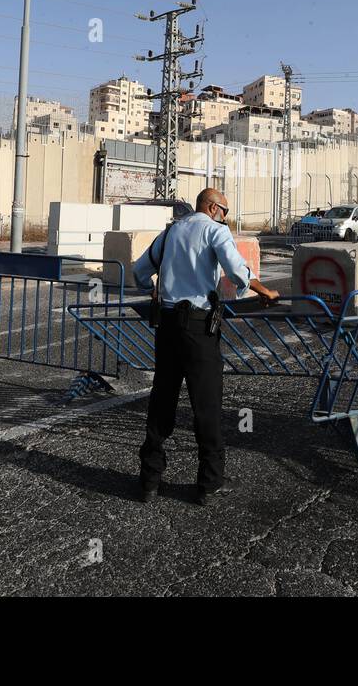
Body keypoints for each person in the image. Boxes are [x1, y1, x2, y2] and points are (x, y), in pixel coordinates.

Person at [132, 188, 279, 506]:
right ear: (213, 208)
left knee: (162, 401)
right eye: (225, 211)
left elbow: (139, 271)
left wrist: (153, 290)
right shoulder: (215, 231)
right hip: (199, 329)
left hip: (167, 328)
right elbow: (238, 271)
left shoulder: (170, 232)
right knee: (207, 406)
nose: (226, 217)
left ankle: (149, 481)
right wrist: (264, 290)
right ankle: (209, 484)